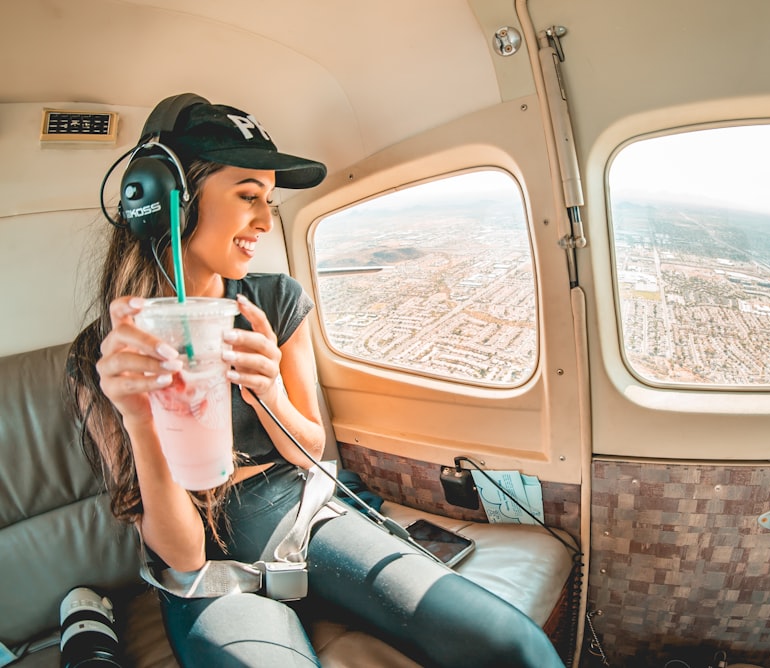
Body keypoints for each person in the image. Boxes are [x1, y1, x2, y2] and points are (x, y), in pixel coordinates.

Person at [67, 95, 564, 668]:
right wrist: (139, 420)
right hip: (204, 556)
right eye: (248, 196)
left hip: (297, 507)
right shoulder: (104, 358)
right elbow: (184, 552)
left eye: (270, 202)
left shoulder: (276, 301)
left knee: (514, 645)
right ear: (166, 204)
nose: (264, 221)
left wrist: (268, 390)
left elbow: (311, 450)